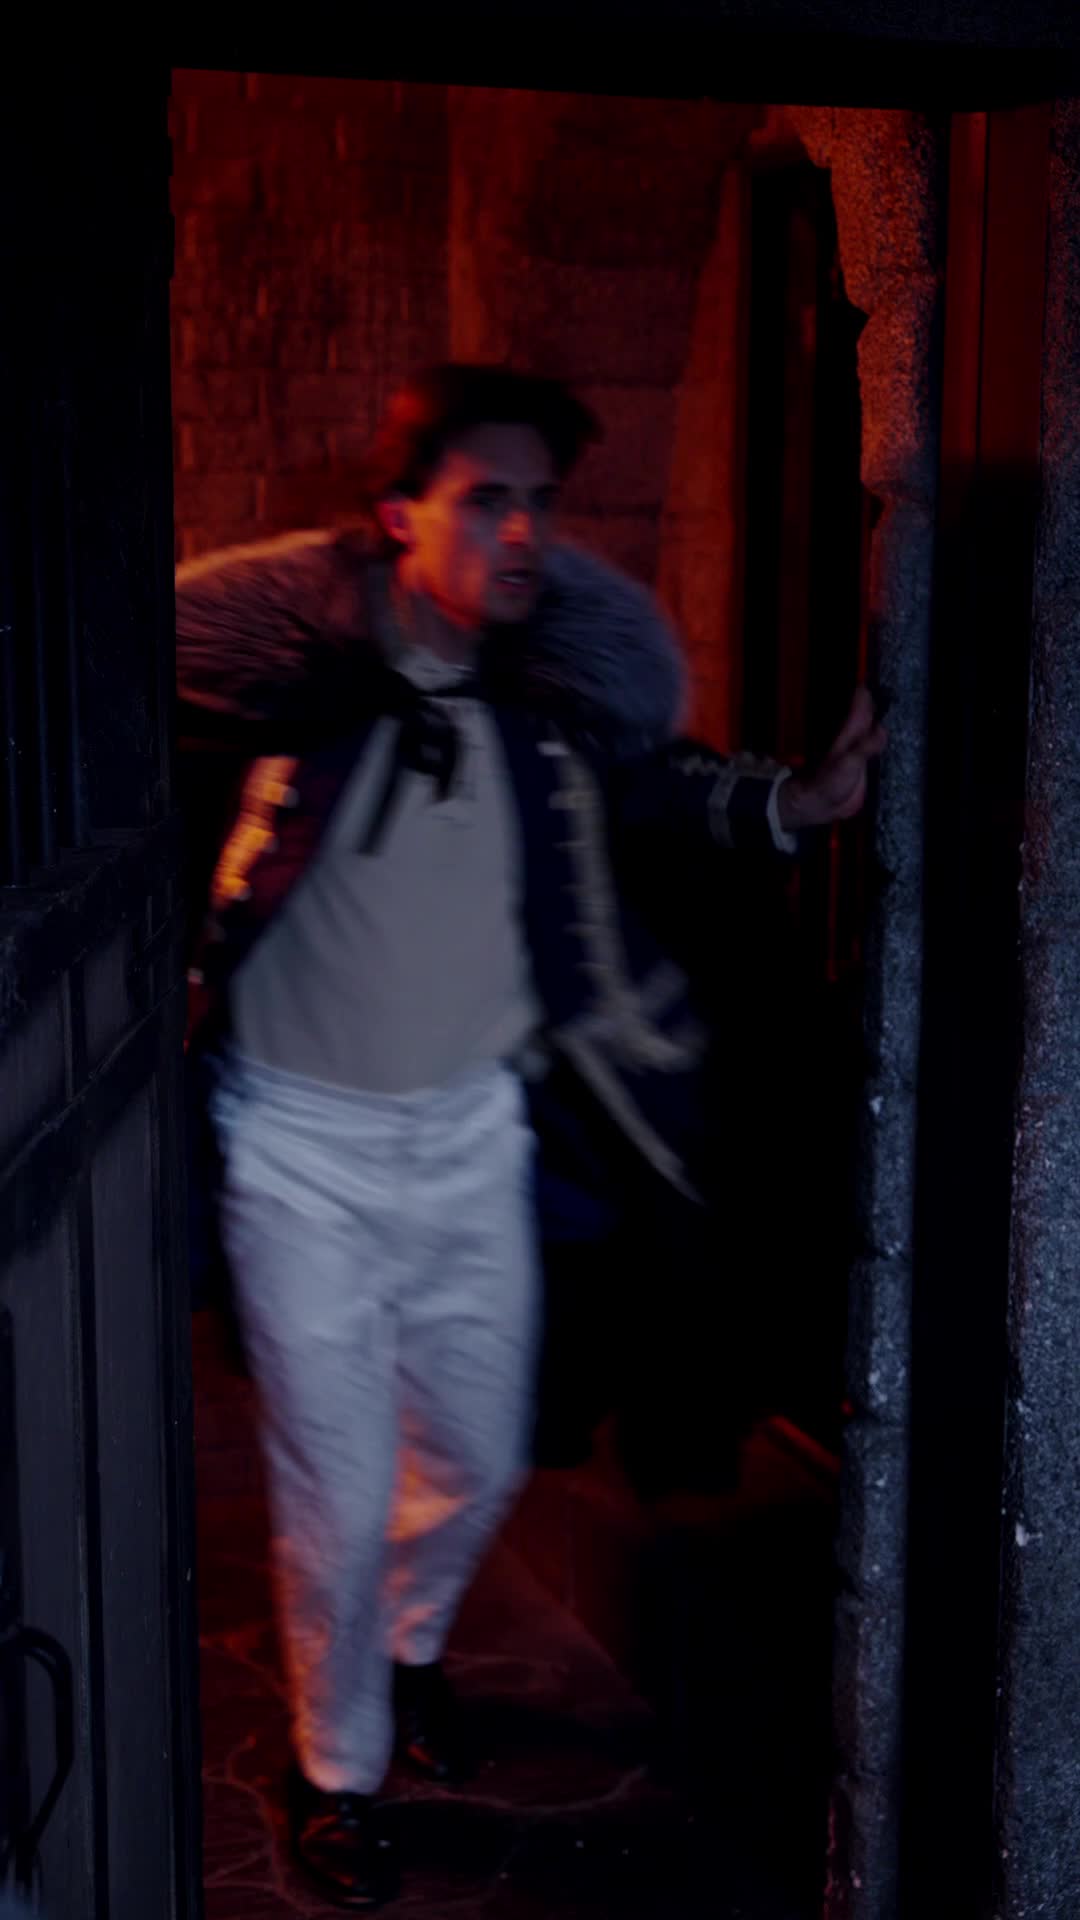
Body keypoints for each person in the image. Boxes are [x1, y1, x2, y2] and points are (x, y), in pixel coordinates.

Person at [177, 364, 884, 1909]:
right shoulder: (304, 684)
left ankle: (410, 1647)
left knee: (483, 1451)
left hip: (469, 1137)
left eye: (540, 504)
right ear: (397, 516)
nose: (522, 531)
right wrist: (356, 613)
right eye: (484, 498)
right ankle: (336, 1768)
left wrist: (795, 805)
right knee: (334, 1486)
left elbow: (660, 788)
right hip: (298, 1150)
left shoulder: (546, 713)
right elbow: (172, 668)